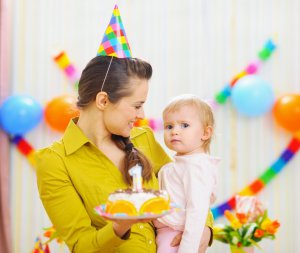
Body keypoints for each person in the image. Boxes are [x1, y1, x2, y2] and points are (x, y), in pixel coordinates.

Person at [35, 56, 213, 253]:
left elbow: (188, 184)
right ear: (103, 100)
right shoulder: (54, 161)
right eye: (137, 105)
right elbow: (81, 245)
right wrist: (119, 226)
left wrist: (206, 227)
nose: (142, 115)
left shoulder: (144, 138)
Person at [154, 94, 219, 253]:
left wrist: (187, 249)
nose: (174, 131)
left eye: (184, 125)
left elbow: (197, 212)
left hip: (177, 237)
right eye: (169, 126)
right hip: (167, 233)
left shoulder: (197, 166)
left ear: (205, 133)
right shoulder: (182, 164)